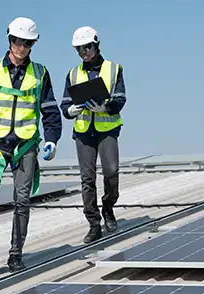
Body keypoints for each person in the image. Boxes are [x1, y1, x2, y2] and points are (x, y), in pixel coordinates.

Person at [0, 17, 62, 274]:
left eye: (28, 42)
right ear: (10, 40)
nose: (22, 46)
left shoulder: (40, 74)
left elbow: (50, 111)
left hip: (25, 145)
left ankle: (16, 254)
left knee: (22, 200)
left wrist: (51, 138)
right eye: (19, 41)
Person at [60, 26, 127, 244]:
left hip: (107, 129)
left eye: (87, 47)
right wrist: (70, 111)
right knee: (87, 179)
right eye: (79, 49)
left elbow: (120, 99)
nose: (83, 52)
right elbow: (65, 105)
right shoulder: (72, 74)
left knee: (111, 171)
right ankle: (93, 223)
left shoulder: (114, 69)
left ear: (96, 44)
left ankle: (108, 208)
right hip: (83, 132)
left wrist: (104, 108)